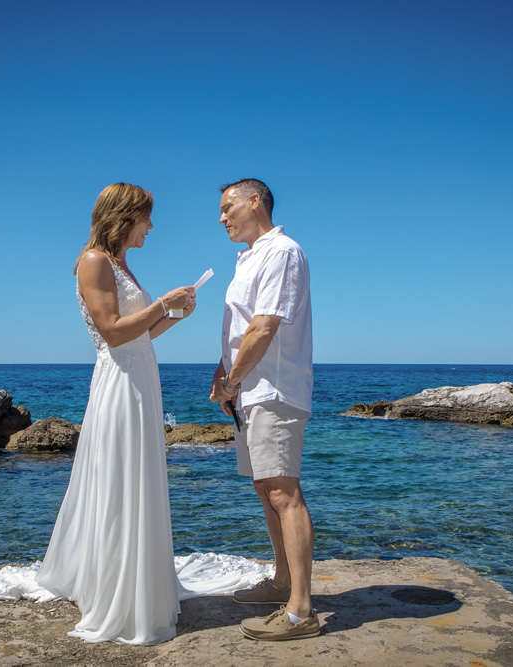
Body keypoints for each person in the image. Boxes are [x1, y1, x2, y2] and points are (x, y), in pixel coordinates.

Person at [35, 183, 196, 645]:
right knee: (121, 478)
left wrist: (174, 314)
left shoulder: (122, 265)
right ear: (125, 217)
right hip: (120, 385)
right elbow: (111, 331)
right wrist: (160, 303)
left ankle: (139, 581)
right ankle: (116, 590)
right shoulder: (94, 262)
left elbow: (141, 334)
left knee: (138, 476)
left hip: (140, 378)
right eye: (146, 217)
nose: (151, 226)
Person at [209, 178, 318, 641]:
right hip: (250, 391)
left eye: (228, 206)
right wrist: (223, 374)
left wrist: (233, 379)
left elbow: (265, 325)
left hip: (273, 389)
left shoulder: (282, 251)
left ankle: (301, 611)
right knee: (264, 488)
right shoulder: (247, 258)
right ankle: (281, 583)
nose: (222, 217)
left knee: (283, 492)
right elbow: (239, 329)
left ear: (256, 201)